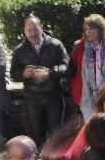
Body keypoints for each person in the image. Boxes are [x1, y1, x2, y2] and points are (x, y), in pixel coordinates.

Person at [10, 15, 70, 148]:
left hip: (53, 95)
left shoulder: (55, 45)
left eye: (35, 29)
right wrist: (24, 74)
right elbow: (13, 75)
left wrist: (50, 72)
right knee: (37, 133)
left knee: (57, 133)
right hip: (32, 98)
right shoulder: (19, 50)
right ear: (24, 31)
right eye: (29, 30)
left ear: (41, 28)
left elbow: (68, 68)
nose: (33, 33)